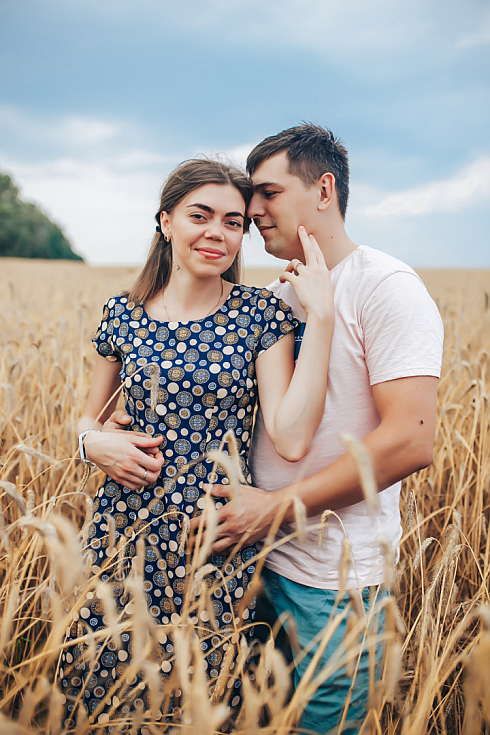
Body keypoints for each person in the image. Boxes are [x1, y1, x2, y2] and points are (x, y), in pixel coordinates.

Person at [60, 157, 334, 728]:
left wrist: (323, 317)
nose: (217, 232)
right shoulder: (123, 315)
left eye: (233, 222)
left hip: (212, 539)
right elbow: (89, 420)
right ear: (165, 221)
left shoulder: (259, 315)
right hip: (122, 538)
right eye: (200, 215)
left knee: (202, 701)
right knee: (107, 692)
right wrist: (92, 445)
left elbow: (290, 436)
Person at [196, 125, 445, 733]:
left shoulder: (386, 288)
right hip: (256, 567)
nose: (252, 211)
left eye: (268, 193)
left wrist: (274, 508)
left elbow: (411, 440)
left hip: (335, 584)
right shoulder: (280, 298)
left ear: (323, 188)